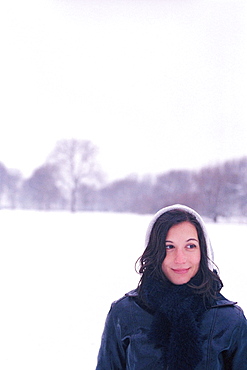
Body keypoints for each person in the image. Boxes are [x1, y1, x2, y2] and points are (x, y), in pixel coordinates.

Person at [96, 204, 247, 369]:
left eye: (190, 246)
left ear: (203, 251)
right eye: (169, 247)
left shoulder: (230, 319)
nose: (180, 259)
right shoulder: (124, 312)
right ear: (154, 251)